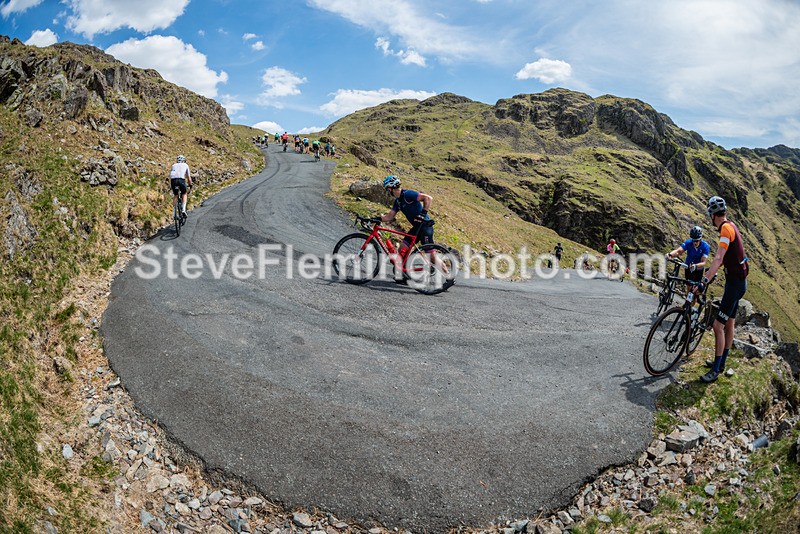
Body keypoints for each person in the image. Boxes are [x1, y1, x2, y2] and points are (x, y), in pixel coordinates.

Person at [699, 196, 749, 383]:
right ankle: (721, 363)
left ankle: (715, 370)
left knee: (717, 326)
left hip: (734, 285)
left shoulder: (725, 230)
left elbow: (718, 259)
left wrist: (705, 280)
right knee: (729, 324)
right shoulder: (731, 225)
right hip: (738, 283)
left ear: (712, 215)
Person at [378, 175, 436, 281]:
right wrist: (377, 218)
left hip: (425, 227)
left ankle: (449, 277)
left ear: (391, 187)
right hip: (416, 228)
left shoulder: (408, 194)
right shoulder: (398, 202)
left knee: (432, 257)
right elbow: (390, 216)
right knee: (402, 248)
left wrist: (423, 213)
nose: (387, 191)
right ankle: (404, 275)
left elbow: (428, 198)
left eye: (387, 188)